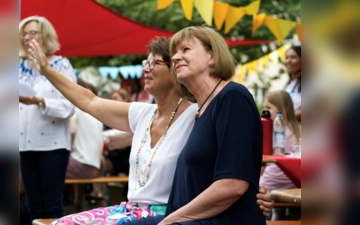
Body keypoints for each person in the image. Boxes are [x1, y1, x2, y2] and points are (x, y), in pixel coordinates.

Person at [27, 35, 273, 225]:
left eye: (154, 62)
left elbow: (228, 161)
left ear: (174, 73)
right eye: (146, 61)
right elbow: (90, 101)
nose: (145, 68)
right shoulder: (143, 113)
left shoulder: (198, 114)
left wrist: (256, 192)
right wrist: (48, 71)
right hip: (129, 209)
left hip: (167, 212)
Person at [19, 16, 76, 223]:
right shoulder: (18, 68)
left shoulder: (61, 65)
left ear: (46, 35)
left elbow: (69, 106)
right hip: (24, 144)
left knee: (52, 206)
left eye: (32, 33)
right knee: (34, 206)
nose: (27, 38)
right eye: (24, 34)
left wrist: (39, 101)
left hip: (52, 146)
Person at [260, 90, 301, 220]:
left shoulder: (276, 131)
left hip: (273, 180)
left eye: (268, 108)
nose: (265, 111)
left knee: (254, 187)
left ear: (283, 109)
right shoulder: (297, 129)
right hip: (294, 180)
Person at [66, 78, 105, 211]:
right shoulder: (94, 112)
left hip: (83, 166)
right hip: (94, 167)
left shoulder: (73, 107)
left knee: (40, 166)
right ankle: (77, 205)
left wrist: (68, 149)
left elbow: (72, 130)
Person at [284, 46, 301, 123]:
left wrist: (282, 117)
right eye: (286, 57)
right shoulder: (287, 85)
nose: (288, 61)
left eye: (293, 57)